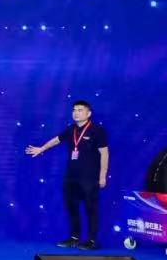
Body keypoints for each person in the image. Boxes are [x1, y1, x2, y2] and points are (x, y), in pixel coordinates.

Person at [25, 100, 109, 250]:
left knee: (90, 209)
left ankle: (91, 241)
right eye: (74, 110)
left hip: (89, 178)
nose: (76, 113)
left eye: (80, 110)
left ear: (89, 113)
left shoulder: (97, 131)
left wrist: (102, 176)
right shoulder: (71, 130)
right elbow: (56, 140)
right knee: (72, 207)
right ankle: (74, 238)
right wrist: (41, 149)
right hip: (71, 177)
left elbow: (104, 153)